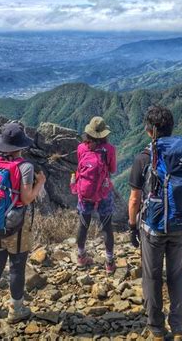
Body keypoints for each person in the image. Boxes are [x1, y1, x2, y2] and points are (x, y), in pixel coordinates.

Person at [128, 106, 182, 340]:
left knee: (152, 276)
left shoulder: (143, 158)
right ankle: (178, 328)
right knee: (177, 275)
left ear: (149, 131)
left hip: (153, 227)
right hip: (181, 224)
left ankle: (157, 329)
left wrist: (131, 227)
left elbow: (135, 199)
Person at [0, 122, 46, 323]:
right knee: (17, 268)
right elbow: (26, 198)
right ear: (20, 147)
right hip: (16, 228)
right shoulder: (25, 167)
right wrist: (41, 183)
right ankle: (16, 310)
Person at [72, 116, 117, 274]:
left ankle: (81, 256)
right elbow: (112, 170)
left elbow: (79, 167)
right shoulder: (109, 149)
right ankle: (109, 262)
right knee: (107, 226)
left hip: (84, 194)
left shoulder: (81, 148)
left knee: (83, 225)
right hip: (103, 193)